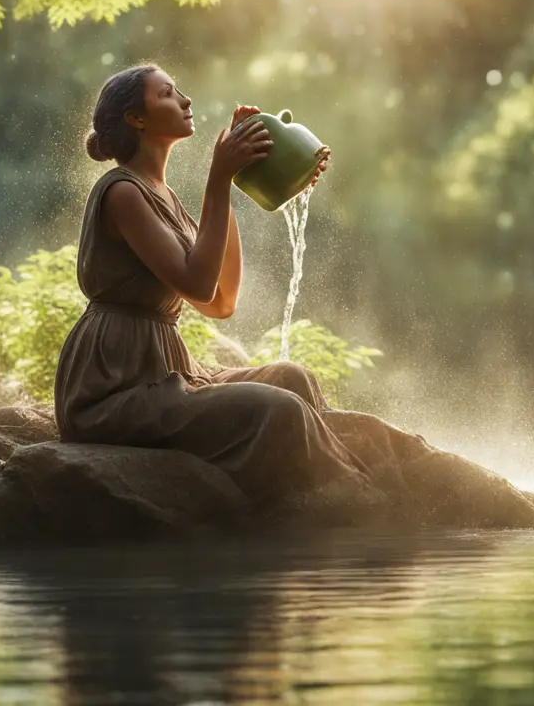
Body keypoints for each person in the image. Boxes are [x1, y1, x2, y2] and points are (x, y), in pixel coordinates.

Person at [55, 63, 385, 505]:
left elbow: (222, 301)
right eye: (168, 94)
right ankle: (355, 502)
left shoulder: (166, 197)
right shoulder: (122, 193)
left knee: (290, 377)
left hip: (166, 370)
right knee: (278, 409)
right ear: (137, 118)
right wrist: (218, 175)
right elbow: (199, 284)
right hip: (114, 387)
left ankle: (335, 491)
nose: (186, 100)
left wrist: (241, 176)